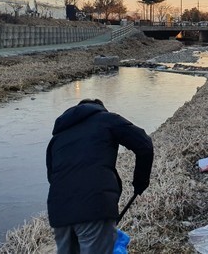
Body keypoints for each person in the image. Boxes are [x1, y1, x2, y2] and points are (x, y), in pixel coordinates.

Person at [46, 98, 154, 254]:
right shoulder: (106, 119)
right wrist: (140, 182)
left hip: (59, 213)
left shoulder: (57, 138)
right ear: (99, 108)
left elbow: (52, 177)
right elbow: (144, 144)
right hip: (93, 206)